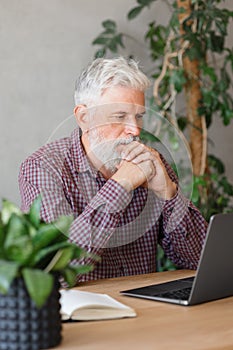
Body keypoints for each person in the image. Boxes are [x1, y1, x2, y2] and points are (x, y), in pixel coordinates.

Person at [19, 56, 208, 282]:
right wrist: (120, 185)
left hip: (148, 311)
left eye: (138, 117)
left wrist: (169, 193)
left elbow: (198, 260)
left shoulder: (150, 164)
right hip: (82, 312)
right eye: (120, 117)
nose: (135, 130)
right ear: (84, 117)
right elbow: (57, 266)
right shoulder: (43, 168)